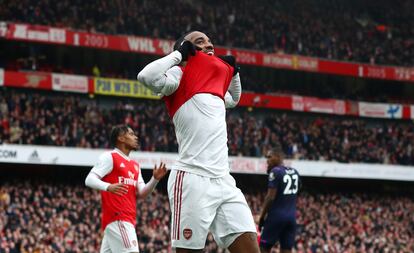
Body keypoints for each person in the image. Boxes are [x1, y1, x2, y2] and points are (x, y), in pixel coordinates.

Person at [137, 31, 259, 253]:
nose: (208, 44)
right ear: (187, 48)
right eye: (200, 41)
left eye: (210, 41)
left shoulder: (213, 80)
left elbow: (234, 99)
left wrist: (234, 74)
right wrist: (177, 55)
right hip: (192, 178)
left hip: (224, 180)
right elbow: (145, 77)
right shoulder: (178, 73)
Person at [85, 125, 167, 253]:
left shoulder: (135, 165)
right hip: (119, 218)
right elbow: (89, 179)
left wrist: (154, 179)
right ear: (121, 138)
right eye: (131, 134)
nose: (136, 137)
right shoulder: (110, 157)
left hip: (126, 220)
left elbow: (142, 193)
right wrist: (108, 187)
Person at [257, 148, 300, 253]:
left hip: (276, 217)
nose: (267, 160)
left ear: (278, 157)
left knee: (263, 248)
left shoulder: (275, 171)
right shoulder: (295, 172)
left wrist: (262, 216)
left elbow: (270, 197)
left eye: (269, 157)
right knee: (286, 249)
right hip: (291, 218)